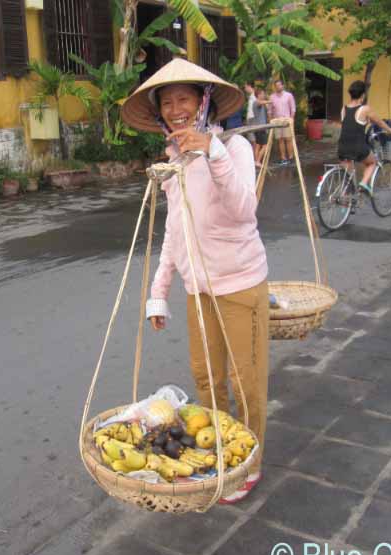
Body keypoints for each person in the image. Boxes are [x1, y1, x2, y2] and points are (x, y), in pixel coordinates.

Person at [121, 58, 269, 504]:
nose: (175, 109)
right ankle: (220, 449)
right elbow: (173, 231)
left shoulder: (235, 150)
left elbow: (245, 211)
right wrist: (157, 292)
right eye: (167, 103)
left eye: (184, 98)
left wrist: (213, 151)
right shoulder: (175, 162)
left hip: (241, 287)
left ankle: (249, 460)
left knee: (248, 383)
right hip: (198, 291)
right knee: (207, 380)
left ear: (204, 103)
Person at [337, 80, 391, 197]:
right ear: (363, 95)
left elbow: (350, 124)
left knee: (348, 178)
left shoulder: (343, 109)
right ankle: (364, 183)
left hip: (342, 147)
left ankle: (345, 200)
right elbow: (379, 123)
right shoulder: (365, 109)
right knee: (372, 162)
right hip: (358, 147)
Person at [268, 79, 296, 165]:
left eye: (279, 85)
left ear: (283, 86)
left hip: (286, 120)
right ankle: (283, 158)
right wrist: (270, 121)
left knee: (288, 139)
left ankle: (291, 157)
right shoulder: (272, 97)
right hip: (277, 121)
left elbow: (293, 108)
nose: (278, 87)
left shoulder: (288, 95)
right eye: (276, 86)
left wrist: (292, 119)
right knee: (280, 140)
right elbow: (269, 110)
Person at [252, 88, 269, 167]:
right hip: (260, 128)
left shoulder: (260, 103)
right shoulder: (256, 102)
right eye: (262, 94)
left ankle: (256, 161)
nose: (264, 95)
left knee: (258, 145)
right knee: (265, 145)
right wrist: (271, 101)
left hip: (259, 127)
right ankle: (258, 161)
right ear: (258, 95)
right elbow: (260, 103)